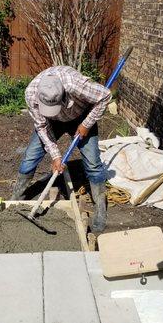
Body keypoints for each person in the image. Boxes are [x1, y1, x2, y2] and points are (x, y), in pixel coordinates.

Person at [10, 65, 111, 233]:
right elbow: (42, 127)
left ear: (64, 95)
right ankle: (17, 195)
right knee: (30, 157)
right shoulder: (31, 93)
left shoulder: (76, 85)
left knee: (93, 163)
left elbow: (105, 96)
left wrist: (86, 124)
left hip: (81, 117)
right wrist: (56, 156)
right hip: (52, 123)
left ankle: (100, 209)